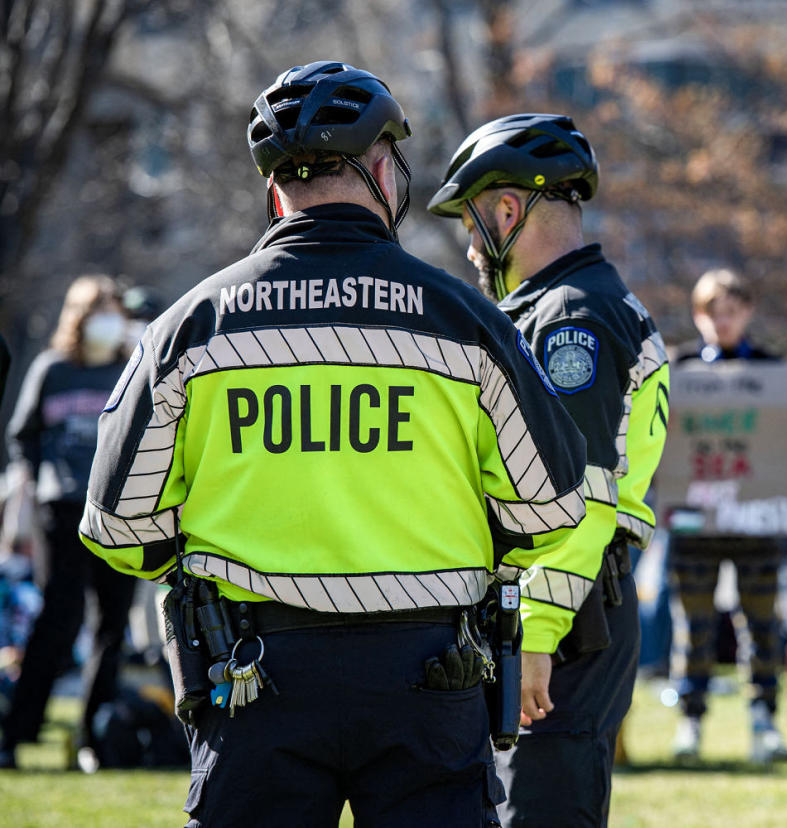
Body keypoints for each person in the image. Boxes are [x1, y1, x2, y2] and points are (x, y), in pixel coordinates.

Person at [78, 63, 588, 825]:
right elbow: (552, 504)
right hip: (431, 676)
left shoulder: (191, 325)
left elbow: (118, 527)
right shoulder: (466, 319)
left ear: (275, 188)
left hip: (251, 678)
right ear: (385, 170)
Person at [429, 112, 669, 826]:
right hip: (564, 605)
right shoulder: (563, 304)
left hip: (566, 616)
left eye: (473, 223)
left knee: (541, 809)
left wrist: (535, 636)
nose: (472, 246)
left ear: (510, 208)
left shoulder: (573, 320)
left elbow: (579, 498)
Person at [0, 275, 135, 771]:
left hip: (118, 515)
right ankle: (16, 734)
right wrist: (37, 483)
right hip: (63, 512)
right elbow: (23, 435)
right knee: (58, 621)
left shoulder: (129, 368)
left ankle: (94, 738)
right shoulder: (51, 369)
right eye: (97, 309)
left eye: (112, 310)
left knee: (111, 627)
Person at [666, 268, 787, 764]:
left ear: (748, 313)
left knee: (762, 625)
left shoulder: (772, 371)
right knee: (692, 625)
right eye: (713, 312)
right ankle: (690, 722)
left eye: (732, 311)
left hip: (756, 519)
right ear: (699, 316)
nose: (723, 321)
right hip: (694, 518)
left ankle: (764, 721)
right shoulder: (676, 369)